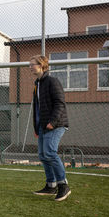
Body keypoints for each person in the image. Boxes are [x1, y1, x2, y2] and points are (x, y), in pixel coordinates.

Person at [30, 55, 71, 201]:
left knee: (50, 152)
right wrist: (37, 127)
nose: (30, 67)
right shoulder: (37, 84)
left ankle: (63, 185)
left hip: (56, 124)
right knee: (42, 155)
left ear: (41, 65)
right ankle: (51, 185)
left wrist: (52, 122)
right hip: (43, 126)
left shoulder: (52, 81)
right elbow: (37, 108)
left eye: (32, 64)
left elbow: (60, 103)